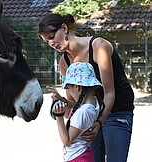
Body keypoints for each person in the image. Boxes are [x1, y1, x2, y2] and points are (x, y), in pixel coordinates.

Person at [38, 13, 134, 162]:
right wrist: (62, 104)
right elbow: (73, 106)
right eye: (46, 41)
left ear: (64, 28)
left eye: (51, 36)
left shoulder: (98, 47)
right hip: (90, 114)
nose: (51, 43)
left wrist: (98, 123)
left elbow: (109, 94)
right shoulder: (64, 62)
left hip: (116, 110)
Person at [49, 62, 104, 162]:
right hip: (85, 154)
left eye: (69, 88)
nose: (69, 92)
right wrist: (64, 100)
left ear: (77, 87)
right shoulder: (94, 103)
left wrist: (59, 117)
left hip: (77, 158)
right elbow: (80, 106)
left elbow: (67, 140)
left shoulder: (82, 113)